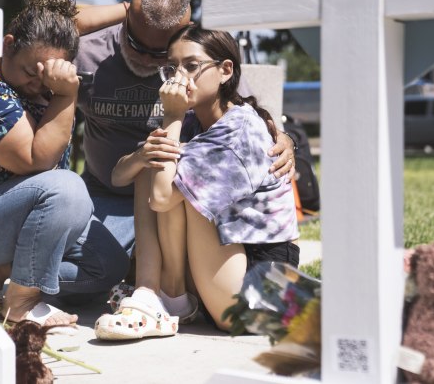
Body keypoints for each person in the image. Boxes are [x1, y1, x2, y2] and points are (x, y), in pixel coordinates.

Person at [70, 0, 296, 297]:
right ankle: (156, 289)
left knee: (169, 180)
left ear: (184, 30)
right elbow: (36, 30)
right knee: (91, 273)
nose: (148, 61)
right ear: (125, 20)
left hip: (172, 204)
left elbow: (246, 113)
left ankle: (163, 291)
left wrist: (283, 138)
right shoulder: (89, 52)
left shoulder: (199, 66)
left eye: (159, 52)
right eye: (136, 45)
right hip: (108, 190)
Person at [94, 25, 299, 339]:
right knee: (154, 163)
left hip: (260, 290)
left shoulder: (236, 129)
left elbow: (163, 199)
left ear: (225, 70)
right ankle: (154, 293)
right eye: (172, 68)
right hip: (223, 266)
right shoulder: (193, 121)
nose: (178, 78)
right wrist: (141, 156)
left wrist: (171, 116)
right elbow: (120, 175)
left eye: (191, 66)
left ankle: (171, 298)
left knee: (177, 180)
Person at [0, 0, 121, 327]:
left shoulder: (36, 62)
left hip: (18, 217)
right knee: (67, 189)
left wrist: (128, 9)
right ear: (6, 45)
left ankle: (7, 276)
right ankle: (19, 303)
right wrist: (67, 93)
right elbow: (38, 160)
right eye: (29, 72)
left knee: (108, 265)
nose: (38, 83)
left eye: (46, 74)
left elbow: (69, 21)